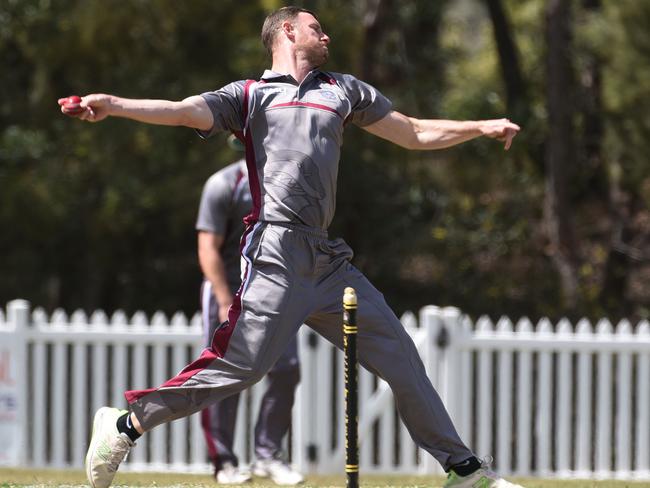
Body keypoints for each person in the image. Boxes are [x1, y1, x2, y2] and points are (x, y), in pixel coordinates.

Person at [61, 7, 522, 488]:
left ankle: (463, 470)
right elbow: (182, 111)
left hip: (327, 261)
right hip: (275, 253)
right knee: (239, 369)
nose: (327, 35)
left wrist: (480, 127)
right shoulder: (250, 95)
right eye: (316, 28)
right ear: (287, 31)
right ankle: (124, 425)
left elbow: (413, 131)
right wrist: (113, 103)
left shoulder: (342, 90)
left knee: (401, 357)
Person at [197, 143, 303, 485]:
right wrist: (225, 298)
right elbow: (208, 248)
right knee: (226, 375)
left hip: (273, 292)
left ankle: (268, 456)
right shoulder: (224, 184)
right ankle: (223, 463)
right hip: (227, 289)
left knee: (286, 369)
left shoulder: (288, 184)